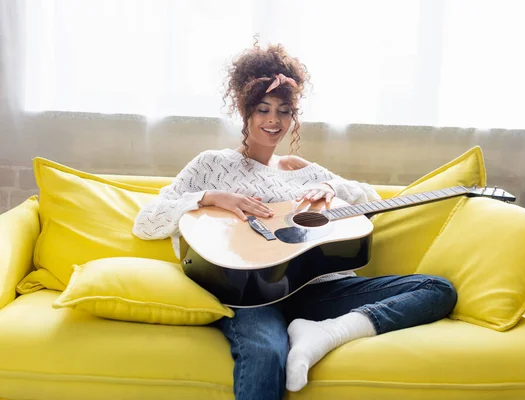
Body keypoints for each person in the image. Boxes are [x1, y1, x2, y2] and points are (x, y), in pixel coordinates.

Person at [133, 42, 457, 400]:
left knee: (437, 289)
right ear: (245, 111)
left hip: (317, 291)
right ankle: (309, 333)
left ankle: (326, 333)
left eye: (284, 112)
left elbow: (374, 202)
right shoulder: (214, 165)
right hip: (253, 296)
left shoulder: (302, 170)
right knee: (268, 352)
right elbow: (146, 221)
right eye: (263, 109)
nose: (274, 120)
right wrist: (210, 197)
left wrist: (329, 186)